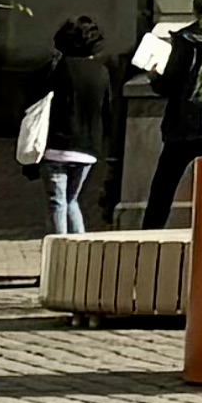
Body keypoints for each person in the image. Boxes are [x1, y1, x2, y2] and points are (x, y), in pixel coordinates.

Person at [138, 8, 202, 226]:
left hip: (185, 122)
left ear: (197, 10)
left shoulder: (186, 41)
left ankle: (150, 232)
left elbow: (167, 84)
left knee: (164, 186)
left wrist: (154, 75)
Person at [38, 16, 122, 243]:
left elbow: (35, 100)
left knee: (57, 201)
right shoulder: (101, 71)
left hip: (56, 145)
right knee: (71, 200)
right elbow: (107, 111)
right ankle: (82, 250)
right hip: (87, 149)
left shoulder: (57, 69)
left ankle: (60, 253)